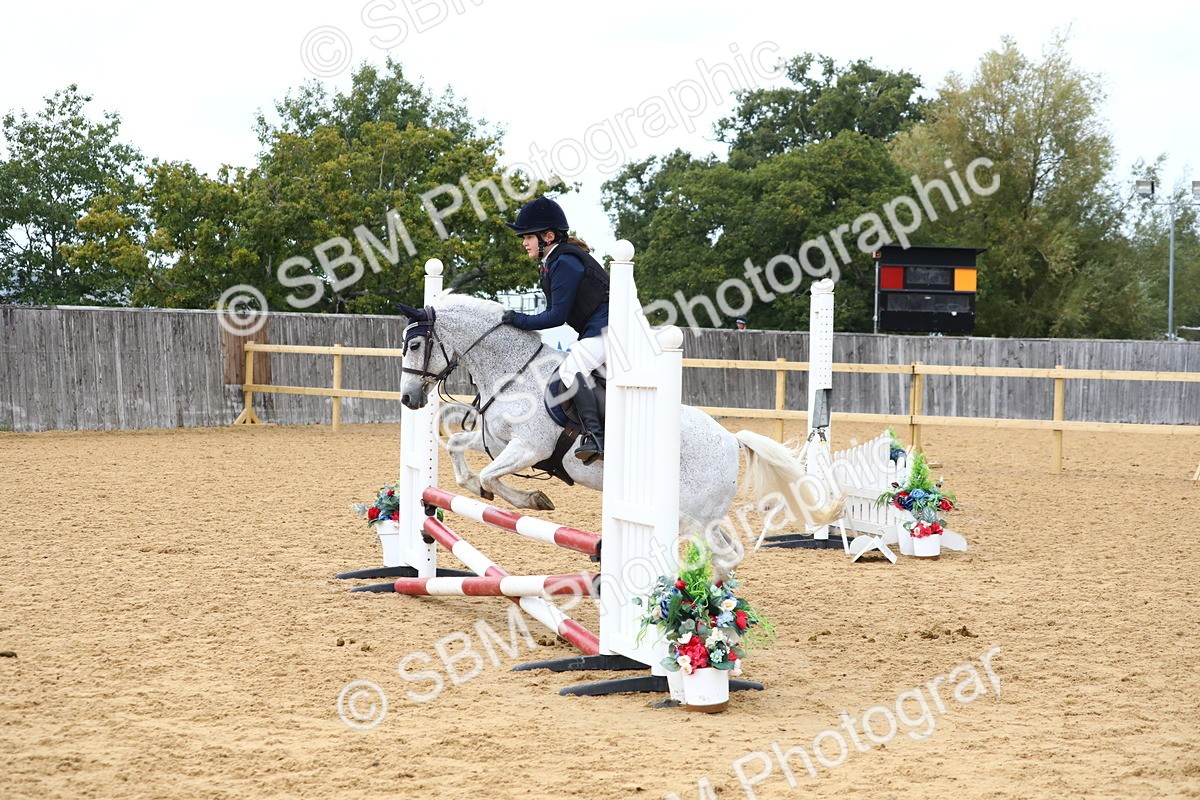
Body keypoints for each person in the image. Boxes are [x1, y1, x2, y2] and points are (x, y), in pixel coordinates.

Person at [500, 197, 610, 464]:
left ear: (548, 237)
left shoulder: (565, 262)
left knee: (571, 370)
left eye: (528, 237)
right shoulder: (555, 260)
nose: (524, 243)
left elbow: (556, 316)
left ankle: (597, 438)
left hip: (610, 329)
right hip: (601, 328)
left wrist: (516, 319)